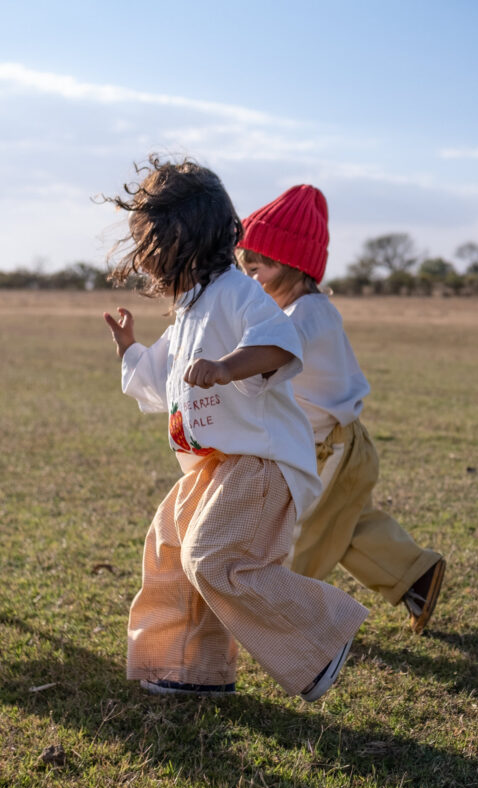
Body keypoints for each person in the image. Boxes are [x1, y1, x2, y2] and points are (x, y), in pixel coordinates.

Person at [101, 155, 368, 700]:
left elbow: (280, 343)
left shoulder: (236, 292)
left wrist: (227, 368)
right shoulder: (192, 308)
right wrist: (131, 350)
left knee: (213, 558)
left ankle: (321, 639)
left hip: (261, 460)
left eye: (150, 248)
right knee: (172, 550)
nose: (147, 263)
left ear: (182, 240)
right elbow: (161, 383)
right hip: (217, 464)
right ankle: (193, 670)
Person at [235, 185, 445, 633]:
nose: (253, 283)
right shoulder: (299, 311)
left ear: (294, 266)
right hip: (335, 445)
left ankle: (286, 621)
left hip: (330, 450)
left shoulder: (306, 315)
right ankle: (417, 575)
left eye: (262, 270)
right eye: (246, 271)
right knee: (346, 525)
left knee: (299, 536)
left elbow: (270, 356)